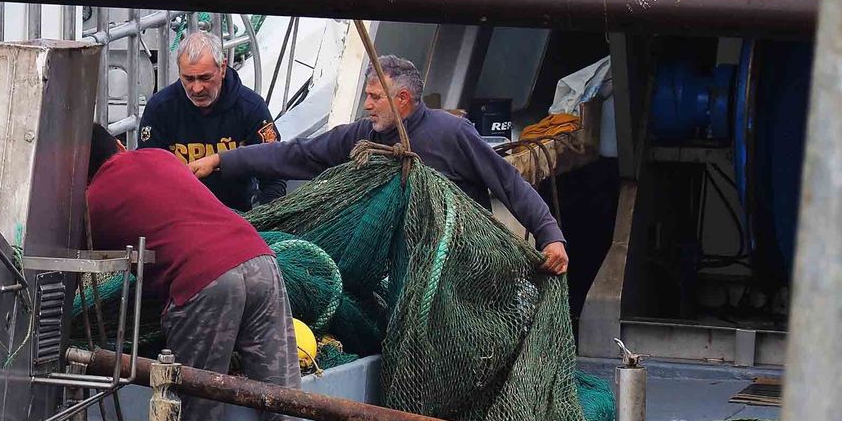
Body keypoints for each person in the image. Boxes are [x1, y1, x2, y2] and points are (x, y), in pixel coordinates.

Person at [189, 54, 571, 275]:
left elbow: (508, 182)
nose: (366, 104)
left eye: (374, 97)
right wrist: (223, 160)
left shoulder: (451, 133)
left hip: (458, 263)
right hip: (396, 265)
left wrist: (549, 233)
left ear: (402, 99)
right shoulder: (360, 136)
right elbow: (295, 155)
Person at [84, 124, 312, 421]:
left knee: (199, 409)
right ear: (117, 144)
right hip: (260, 260)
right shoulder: (159, 156)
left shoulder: (92, 202)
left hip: (205, 281)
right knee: (281, 397)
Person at [138, 31, 287, 213]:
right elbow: (148, 175)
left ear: (222, 68)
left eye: (205, 78)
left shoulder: (251, 108)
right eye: (188, 79)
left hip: (238, 214)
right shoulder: (160, 109)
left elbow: (273, 173)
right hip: (177, 216)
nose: (197, 88)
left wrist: (265, 219)